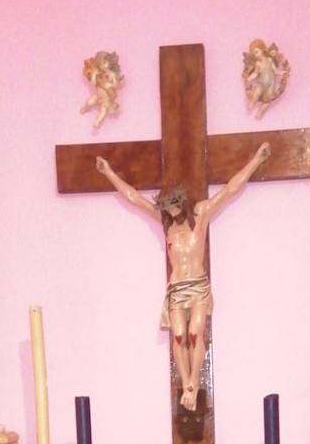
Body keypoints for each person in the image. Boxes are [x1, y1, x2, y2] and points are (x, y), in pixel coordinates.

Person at [96, 143, 270, 409]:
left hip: (198, 285)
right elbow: (134, 197)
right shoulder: (165, 223)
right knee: (178, 335)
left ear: (182, 201)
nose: (172, 211)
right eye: (167, 207)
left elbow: (230, 189)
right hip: (177, 288)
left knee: (195, 332)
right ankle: (188, 383)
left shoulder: (200, 215)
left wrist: (256, 159)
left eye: (175, 205)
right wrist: (108, 173)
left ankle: (193, 384)